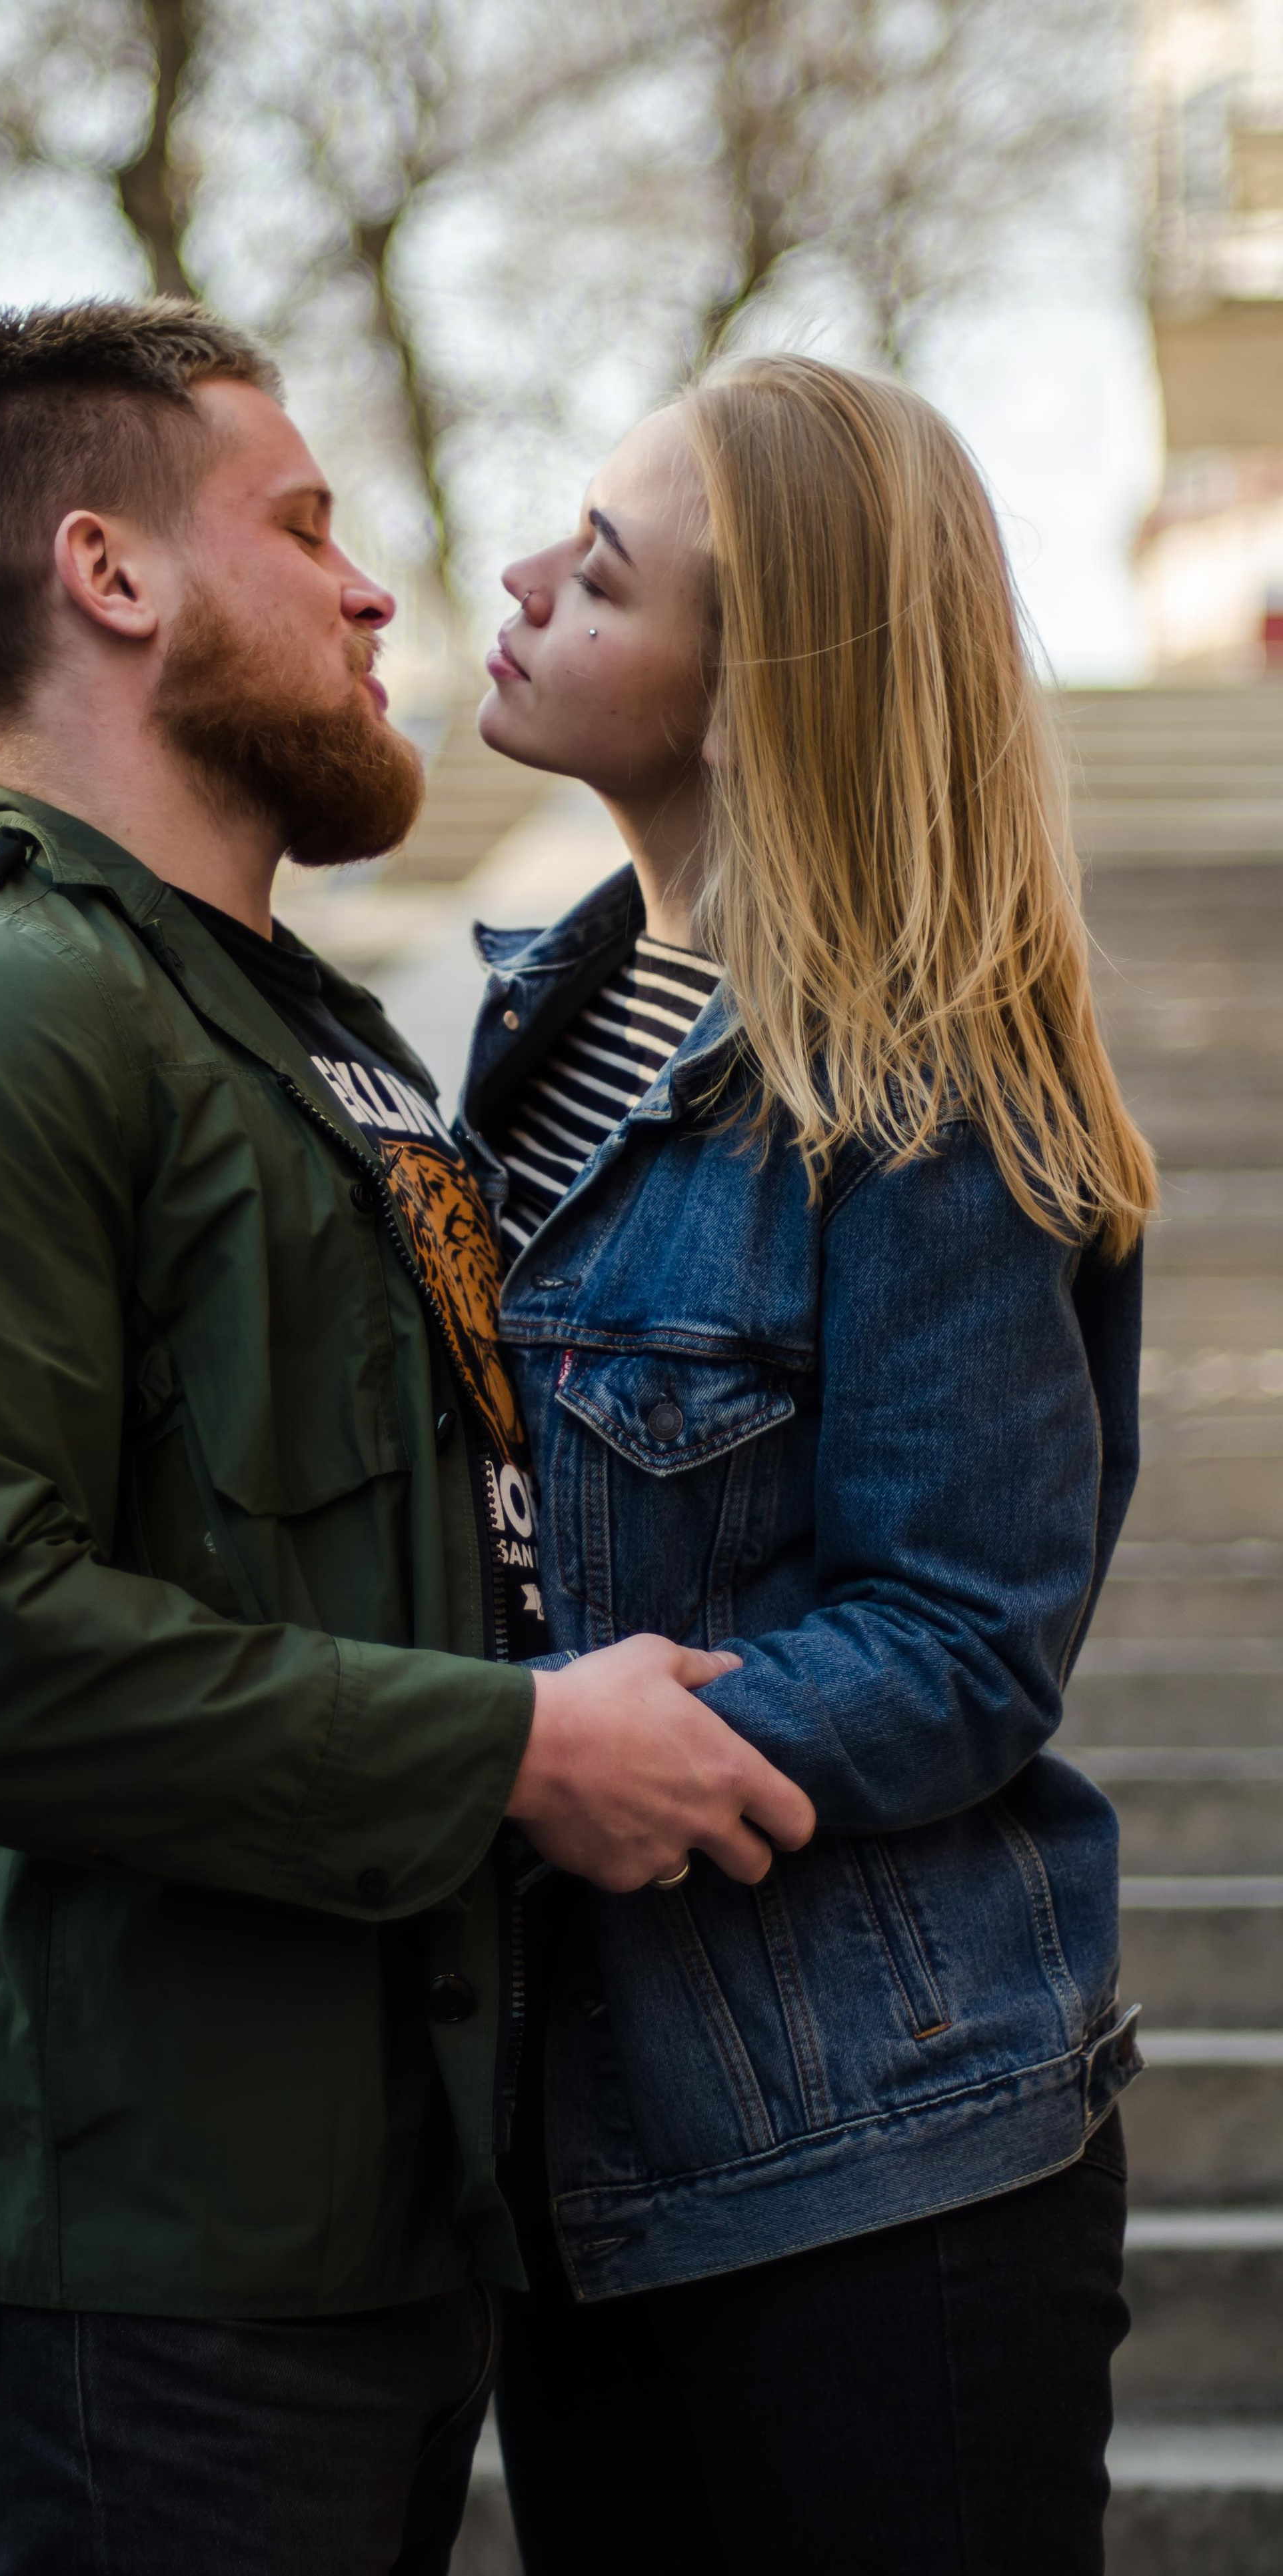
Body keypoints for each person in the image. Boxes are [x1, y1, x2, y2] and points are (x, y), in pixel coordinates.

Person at [0, 300, 814, 2576]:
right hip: (134, 2233)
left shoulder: (297, 1028)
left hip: (369, 2212)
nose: (373, 582)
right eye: (302, 524)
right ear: (116, 577)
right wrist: (512, 1749)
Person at [462, 353, 1157, 2575]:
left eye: (601, 569)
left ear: (759, 692)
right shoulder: (528, 1033)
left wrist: (574, 1747)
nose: (518, 583)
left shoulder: (924, 1089)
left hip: (881, 2166)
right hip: (575, 2162)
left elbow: (966, 1634)